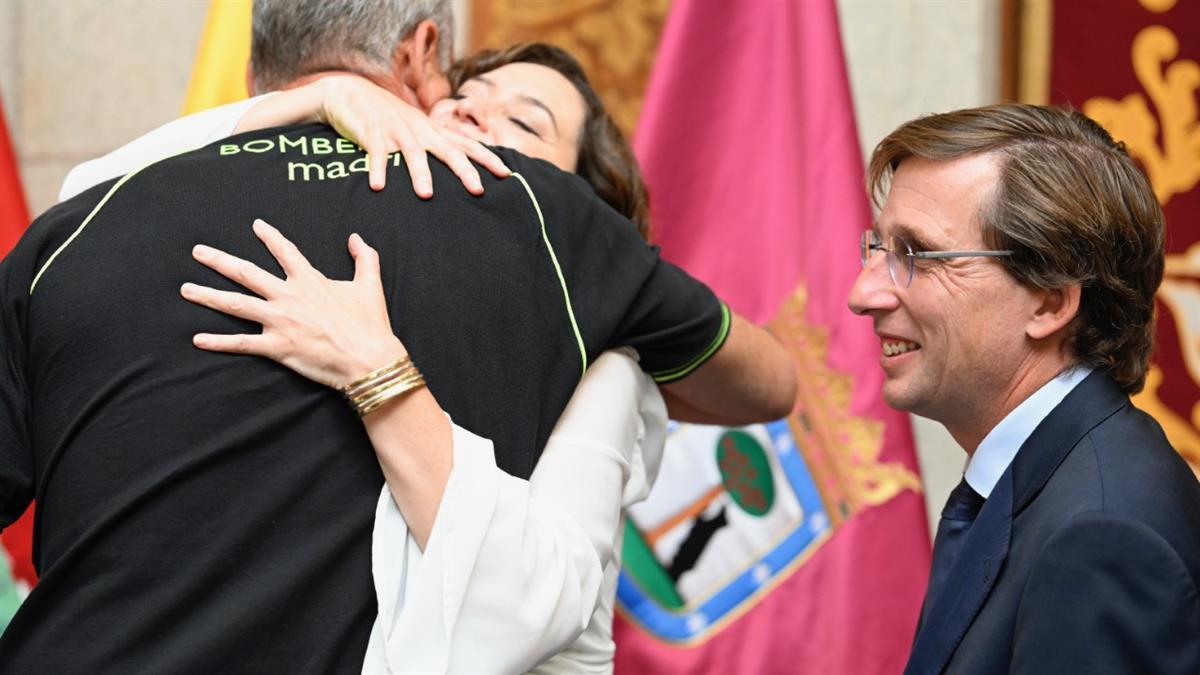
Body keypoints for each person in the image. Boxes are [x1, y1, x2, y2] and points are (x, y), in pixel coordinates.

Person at [0, 2, 795, 673]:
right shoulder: (535, 227)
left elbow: (527, 608)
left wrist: (380, 372)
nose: (473, 116)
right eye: (466, 92)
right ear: (420, 54)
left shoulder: (75, 231)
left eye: (525, 121)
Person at [849, 103, 1200, 673]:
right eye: (878, 249)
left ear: (1050, 301)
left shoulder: (1102, 539)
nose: (863, 293)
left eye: (915, 254)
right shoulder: (1042, 479)